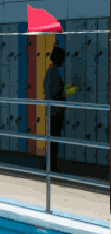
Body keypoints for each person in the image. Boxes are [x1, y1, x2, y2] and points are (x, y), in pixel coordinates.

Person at [44, 45, 67, 173]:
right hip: (56, 112)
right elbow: (57, 93)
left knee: (51, 140)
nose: (63, 61)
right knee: (54, 141)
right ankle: (51, 167)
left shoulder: (49, 72)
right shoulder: (55, 73)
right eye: (62, 58)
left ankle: (49, 166)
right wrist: (68, 90)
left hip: (50, 111)